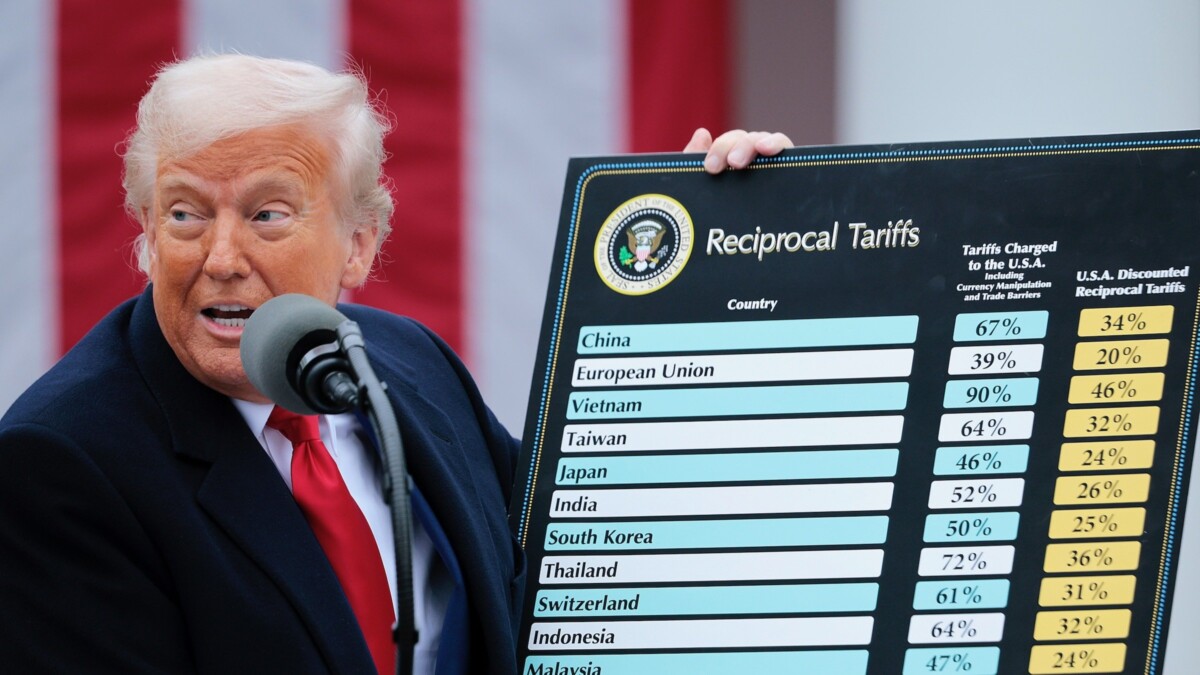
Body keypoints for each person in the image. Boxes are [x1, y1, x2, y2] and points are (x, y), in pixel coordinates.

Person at [0, 53, 791, 674]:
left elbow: (594, 548)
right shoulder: (59, 463)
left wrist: (710, 266)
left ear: (358, 243)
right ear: (146, 232)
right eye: (185, 214)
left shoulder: (408, 361)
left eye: (267, 214)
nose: (223, 256)